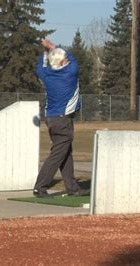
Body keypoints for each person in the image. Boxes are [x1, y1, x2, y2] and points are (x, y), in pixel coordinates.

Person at [33, 39, 89, 197]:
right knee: (58, 154)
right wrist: (52, 46)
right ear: (63, 62)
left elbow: (40, 67)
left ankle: (72, 188)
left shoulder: (46, 74)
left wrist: (45, 52)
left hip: (52, 119)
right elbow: (72, 57)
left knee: (65, 152)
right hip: (63, 120)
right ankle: (40, 186)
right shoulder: (70, 72)